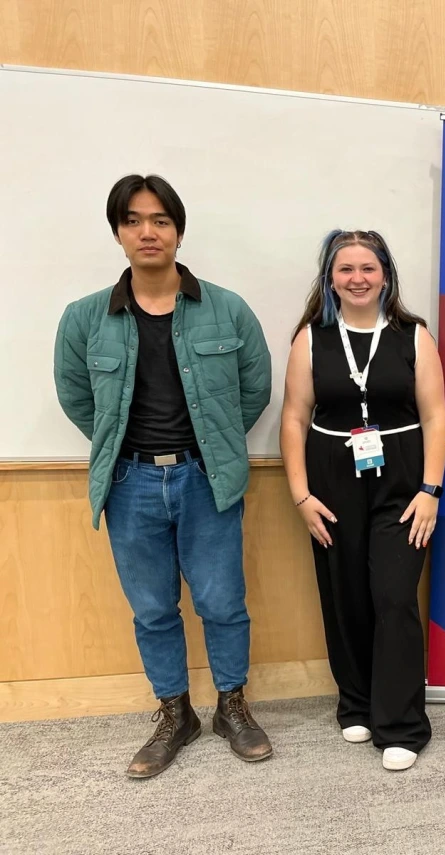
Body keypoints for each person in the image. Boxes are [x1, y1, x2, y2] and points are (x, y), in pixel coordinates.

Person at [53, 174, 274, 778]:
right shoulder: (84, 318)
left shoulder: (226, 309)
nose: (147, 232)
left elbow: (254, 389)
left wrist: (216, 444)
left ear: (178, 230)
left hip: (208, 479)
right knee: (152, 608)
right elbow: (77, 398)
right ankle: (176, 714)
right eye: (133, 221)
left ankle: (232, 705)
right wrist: (119, 448)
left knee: (223, 602)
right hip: (130, 485)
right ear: (118, 233)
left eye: (160, 221)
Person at [280, 229, 445, 771]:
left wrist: (430, 490)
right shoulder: (311, 338)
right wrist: (300, 493)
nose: (357, 279)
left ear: (385, 275)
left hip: (401, 481)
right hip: (332, 478)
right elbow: (293, 417)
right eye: (346, 269)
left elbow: (437, 416)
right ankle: (355, 701)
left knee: (394, 597)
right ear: (331, 277)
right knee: (344, 592)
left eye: (367, 268)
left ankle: (401, 725)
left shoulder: (413, 335)